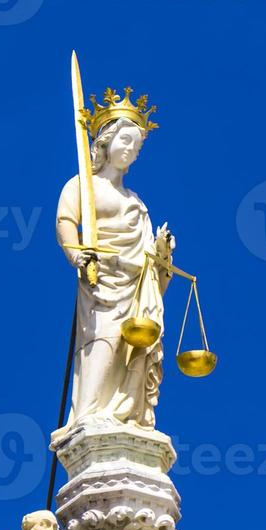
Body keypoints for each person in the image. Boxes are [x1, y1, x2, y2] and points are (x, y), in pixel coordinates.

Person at [56, 114, 174, 430]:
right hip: (101, 282)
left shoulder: (137, 203)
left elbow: (152, 266)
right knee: (102, 343)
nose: (130, 150)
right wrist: (75, 252)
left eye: (136, 147)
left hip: (136, 288)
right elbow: (66, 221)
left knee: (135, 349)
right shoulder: (82, 185)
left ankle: (127, 413)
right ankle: (88, 417)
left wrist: (162, 253)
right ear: (105, 143)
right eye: (125, 141)